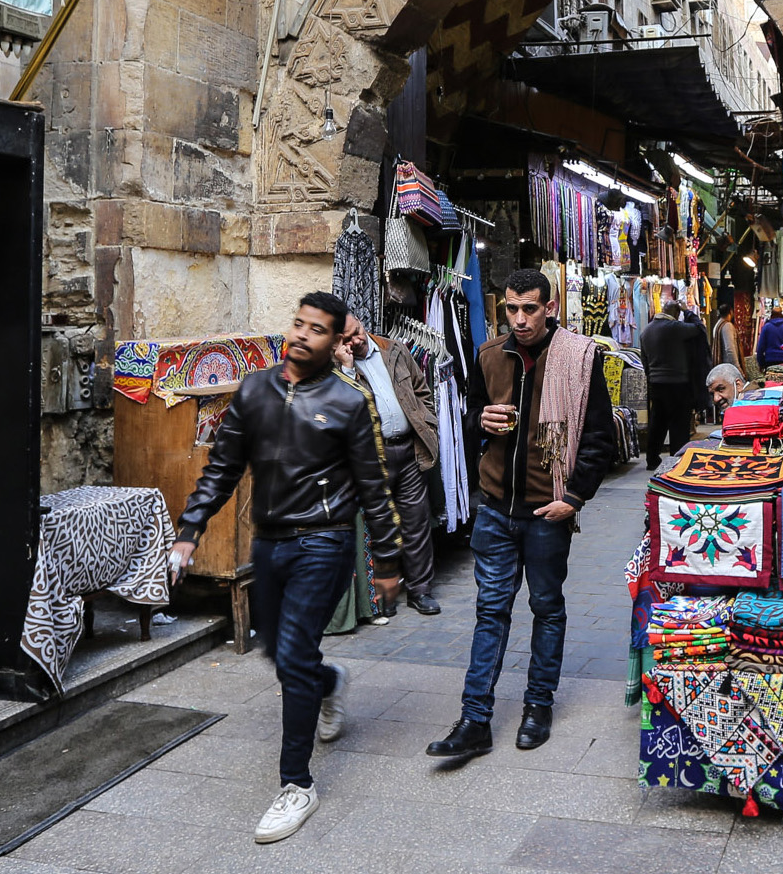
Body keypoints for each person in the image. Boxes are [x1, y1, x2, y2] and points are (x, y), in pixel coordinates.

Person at [173, 292, 404, 845]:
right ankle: (328, 682)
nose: (302, 335)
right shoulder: (255, 389)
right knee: (280, 653)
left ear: (335, 341)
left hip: (323, 542)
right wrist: (189, 531)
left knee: (294, 654)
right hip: (269, 544)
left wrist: (389, 562)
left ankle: (296, 785)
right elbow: (222, 468)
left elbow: (376, 486)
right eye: (298, 324)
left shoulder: (349, 402)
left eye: (317, 329)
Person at [427, 268, 616, 759]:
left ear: (549, 308)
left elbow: (599, 439)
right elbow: (467, 423)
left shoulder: (578, 358)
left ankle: (538, 704)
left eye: (529, 308)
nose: (520, 319)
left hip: (546, 510)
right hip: (496, 508)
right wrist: (479, 421)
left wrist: (574, 497)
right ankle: (474, 719)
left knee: (546, 607)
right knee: (490, 611)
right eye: (511, 308)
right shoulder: (490, 355)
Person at [339, 314, 442, 616]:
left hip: (408, 449)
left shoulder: (394, 349)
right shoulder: (337, 367)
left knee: (416, 522)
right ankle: (385, 596)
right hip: (374, 455)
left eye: (356, 332)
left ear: (362, 324)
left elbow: (422, 389)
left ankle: (420, 591)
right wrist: (345, 369)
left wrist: (428, 422)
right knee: (381, 527)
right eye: (346, 339)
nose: (355, 341)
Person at [638, 299, 700, 470]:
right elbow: (698, 328)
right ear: (676, 313)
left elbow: (644, 362)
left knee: (657, 422)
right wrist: (688, 312)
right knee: (678, 424)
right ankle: (677, 459)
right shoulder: (676, 328)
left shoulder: (646, 331)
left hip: (657, 384)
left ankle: (652, 459)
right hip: (678, 383)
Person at [754, 305, 783, 370]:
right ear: (781, 313)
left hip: (770, 361)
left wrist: (761, 363)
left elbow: (760, 347)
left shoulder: (767, 327)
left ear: (772, 314)